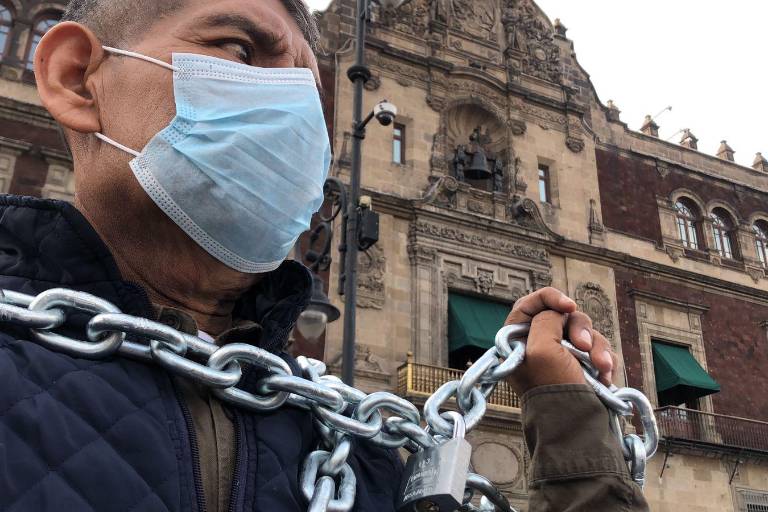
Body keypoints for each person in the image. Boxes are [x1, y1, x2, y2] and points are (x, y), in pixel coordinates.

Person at [0, 0, 649, 510]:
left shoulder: (350, 444)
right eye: (238, 51)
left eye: (308, 94)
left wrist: (568, 415)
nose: (284, 112)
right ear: (77, 78)